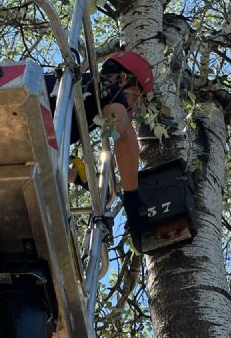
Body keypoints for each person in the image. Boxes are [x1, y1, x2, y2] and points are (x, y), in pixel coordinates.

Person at [47, 50, 153, 231]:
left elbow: (42, 157)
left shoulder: (74, 90)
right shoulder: (107, 89)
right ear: (123, 78)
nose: (133, 109)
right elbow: (121, 131)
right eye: (136, 98)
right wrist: (131, 197)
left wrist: (78, 178)